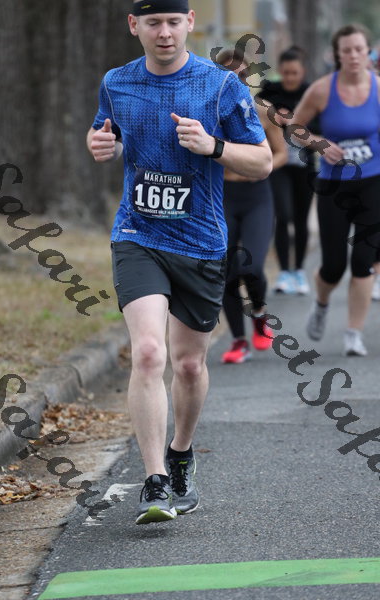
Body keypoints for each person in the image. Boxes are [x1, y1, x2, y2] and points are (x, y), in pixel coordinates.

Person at [86, 0, 272, 524]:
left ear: (189, 22)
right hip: (138, 234)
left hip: (200, 242)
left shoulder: (221, 85)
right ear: (134, 26)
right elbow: (105, 134)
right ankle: (154, 481)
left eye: (172, 22)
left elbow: (261, 161)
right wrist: (100, 144)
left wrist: (213, 146)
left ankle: (181, 454)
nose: (164, 32)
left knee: (189, 364)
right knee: (149, 353)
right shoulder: (117, 82)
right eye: (153, 23)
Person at [290, 24, 380, 356]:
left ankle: (353, 334)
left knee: (364, 261)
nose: (354, 56)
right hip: (335, 187)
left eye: (359, 49)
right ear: (337, 54)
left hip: (374, 182)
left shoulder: (379, 88)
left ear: (368, 51)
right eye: (347, 50)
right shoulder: (322, 90)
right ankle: (322, 302)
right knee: (334, 266)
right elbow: (294, 128)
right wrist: (319, 144)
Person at [214, 49, 287, 364]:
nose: (238, 81)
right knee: (228, 270)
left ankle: (259, 313)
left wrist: (261, 166)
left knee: (252, 267)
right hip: (223, 195)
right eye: (229, 76)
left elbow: (281, 153)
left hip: (258, 195)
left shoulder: (262, 109)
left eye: (243, 75)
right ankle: (238, 340)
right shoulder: (209, 110)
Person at [258, 46, 316, 295]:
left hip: (304, 166)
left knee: (301, 219)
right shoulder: (270, 91)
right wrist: (273, 115)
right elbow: (255, 113)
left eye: (295, 73)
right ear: (280, 71)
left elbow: (321, 128)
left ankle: (299, 271)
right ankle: (283, 272)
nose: (290, 77)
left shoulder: (311, 93)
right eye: (286, 72)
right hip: (279, 163)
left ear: (302, 72)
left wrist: (294, 122)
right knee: (283, 215)